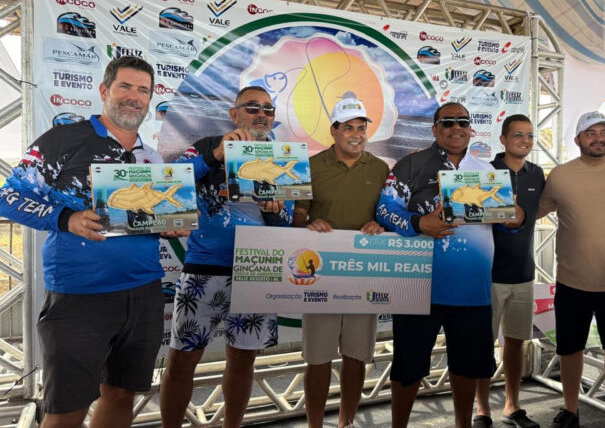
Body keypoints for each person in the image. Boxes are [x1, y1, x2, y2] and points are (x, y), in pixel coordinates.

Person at [0, 56, 185, 428]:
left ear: (150, 101)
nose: (134, 97)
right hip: (79, 296)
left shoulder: (151, 159)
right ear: (104, 91)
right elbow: (8, 197)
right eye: (125, 87)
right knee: (66, 408)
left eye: (143, 90)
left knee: (121, 395)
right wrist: (64, 218)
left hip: (144, 291)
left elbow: (144, 217)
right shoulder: (64, 139)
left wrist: (170, 224)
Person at [376, 102, 525, 428]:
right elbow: (384, 210)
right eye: (448, 123)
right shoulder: (410, 165)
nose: (456, 128)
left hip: (473, 291)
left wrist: (516, 216)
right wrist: (418, 223)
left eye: (463, 122)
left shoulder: (486, 171)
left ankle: (463, 425)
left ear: (471, 128)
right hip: (418, 286)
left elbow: (507, 220)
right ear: (435, 129)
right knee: (409, 367)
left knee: (468, 367)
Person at [159, 86, 293, 427]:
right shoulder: (207, 146)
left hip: (256, 270)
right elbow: (170, 182)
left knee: (244, 360)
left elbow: (287, 223)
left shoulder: (284, 159)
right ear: (234, 114)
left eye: (268, 109)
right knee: (181, 360)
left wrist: (274, 212)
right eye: (252, 107)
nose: (261, 114)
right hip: (204, 269)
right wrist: (215, 156)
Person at [536, 111, 605, 428]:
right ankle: (570, 410)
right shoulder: (560, 175)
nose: (599, 138)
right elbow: (530, 213)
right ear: (578, 140)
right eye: (590, 133)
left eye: (604, 132)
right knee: (570, 350)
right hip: (572, 282)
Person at [292, 97, 389, 428]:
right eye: (348, 127)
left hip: (364, 275)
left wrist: (382, 224)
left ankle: (346, 422)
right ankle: (315, 425)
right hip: (320, 276)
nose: (357, 134)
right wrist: (307, 225)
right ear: (333, 131)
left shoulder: (380, 169)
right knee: (317, 358)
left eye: (362, 128)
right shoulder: (310, 165)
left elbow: (387, 214)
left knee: (357, 356)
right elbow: (298, 217)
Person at [473, 115, 545, 428]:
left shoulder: (538, 173)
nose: (525, 141)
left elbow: (536, 212)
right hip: (487, 275)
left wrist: (522, 215)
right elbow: (471, 214)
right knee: (481, 345)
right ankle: (481, 409)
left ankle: (512, 406)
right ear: (502, 139)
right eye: (518, 135)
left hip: (523, 274)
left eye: (530, 135)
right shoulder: (484, 172)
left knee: (515, 343)